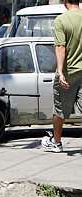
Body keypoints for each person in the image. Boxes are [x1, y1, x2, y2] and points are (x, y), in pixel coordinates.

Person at [41, 0, 82, 152]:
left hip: (69, 73)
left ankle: (56, 143)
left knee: (59, 110)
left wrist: (59, 71)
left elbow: (60, 46)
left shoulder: (61, 20)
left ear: (65, 1)